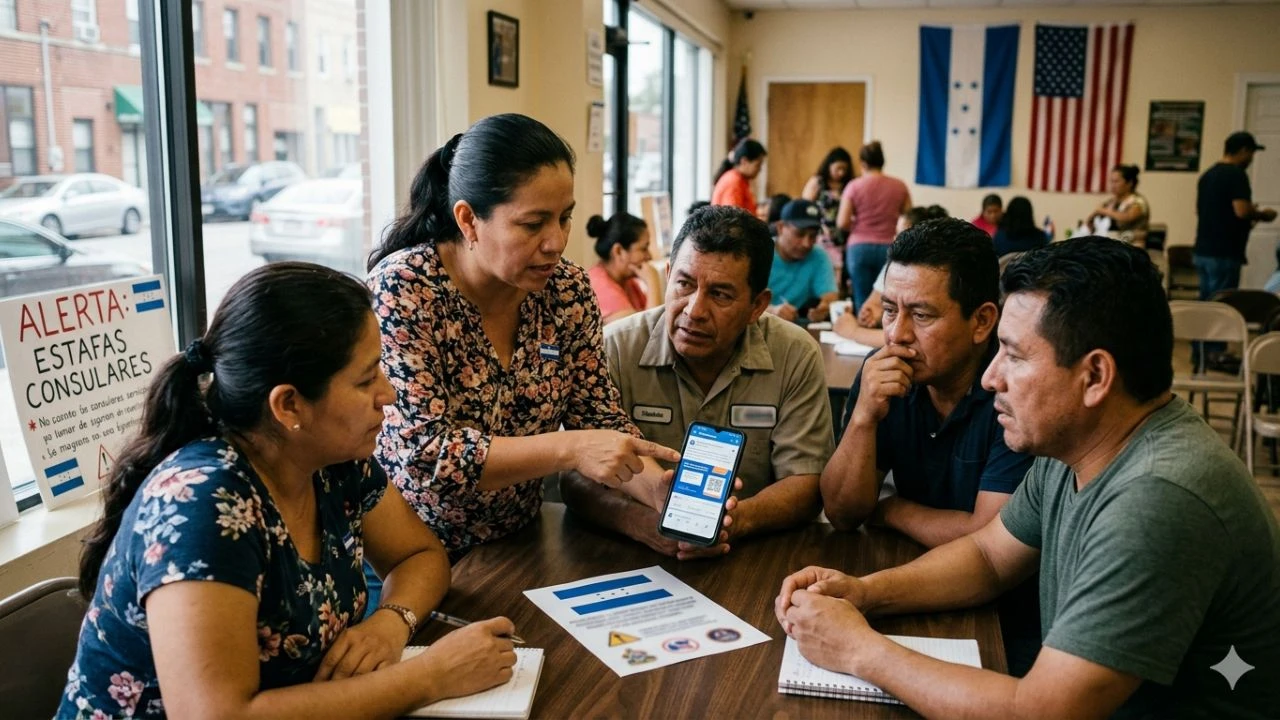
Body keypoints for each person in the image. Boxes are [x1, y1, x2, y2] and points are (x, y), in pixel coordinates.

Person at [778, 237, 1280, 718]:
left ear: (1095, 377)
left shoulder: (1158, 499)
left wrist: (860, 650)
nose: (991, 377)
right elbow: (988, 557)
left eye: (1014, 356)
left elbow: (1041, 712)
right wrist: (864, 592)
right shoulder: (1076, 445)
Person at [60, 263, 518, 720]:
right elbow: (217, 716)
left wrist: (391, 621)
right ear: (289, 405)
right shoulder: (202, 505)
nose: (388, 394)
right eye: (365, 380)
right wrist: (429, 677)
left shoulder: (334, 462)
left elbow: (419, 555)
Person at [365, 114, 680, 561]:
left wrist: (657, 491)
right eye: (533, 224)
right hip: (408, 554)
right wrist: (569, 448)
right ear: (468, 220)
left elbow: (597, 417)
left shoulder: (565, 289)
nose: (556, 242)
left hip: (518, 544)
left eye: (565, 218)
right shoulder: (405, 290)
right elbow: (428, 456)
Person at [562, 206, 832, 559]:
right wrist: (639, 523)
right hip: (631, 554)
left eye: (720, 294)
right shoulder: (614, 348)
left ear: (757, 306)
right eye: (685, 284)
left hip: (755, 556)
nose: (694, 310)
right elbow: (576, 478)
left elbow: (807, 482)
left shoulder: (795, 354)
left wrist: (732, 522)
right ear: (668, 276)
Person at [832, 206, 937, 347]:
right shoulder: (895, 265)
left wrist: (853, 332)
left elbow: (911, 341)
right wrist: (870, 314)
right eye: (896, 234)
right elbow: (873, 305)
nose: (894, 240)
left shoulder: (935, 274)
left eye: (902, 236)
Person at [1195, 131, 1277, 302]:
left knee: (1206, 303)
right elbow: (1242, 210)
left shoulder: (1208, 175)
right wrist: (1263, 215)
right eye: (1251, 153)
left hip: (1203, 250)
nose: (1251, 159)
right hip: (1225, 252)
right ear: (1243, 150)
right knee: (1222, 304)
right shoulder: (1236, 174)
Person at [837, 141, 912, 312]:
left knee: (863, 303)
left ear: (863, 163)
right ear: (882, 161)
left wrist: (859, 223)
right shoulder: (899, 186)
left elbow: (842, 222)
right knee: (889, 300)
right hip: (890, 247)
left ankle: (861, 327)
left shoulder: (854, 186)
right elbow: (910, 217)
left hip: (859, 248)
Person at [767, 199, 839, 323]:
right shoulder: (758, 252)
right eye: (799, 234)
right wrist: (771, 311)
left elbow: (830, 297)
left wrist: (824, 307)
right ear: (780, 228)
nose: (807, 243)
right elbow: (740, 302)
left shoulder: (818, 255)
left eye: (813, 236)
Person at [586, 212, 655, 324]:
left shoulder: (628, 282)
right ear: (619, 251)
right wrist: (652, 281)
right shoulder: (599, 286)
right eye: (643, 249)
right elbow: (650, 330)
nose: (649, 256)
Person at [802, 146, 855, 271]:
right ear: (829, 165)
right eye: (838, 168)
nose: (841, 173)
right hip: (820, 233)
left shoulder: (849, 185)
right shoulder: (817, 182)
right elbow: (805, 205)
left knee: (838, 270)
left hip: (841, 235)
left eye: (844, 169)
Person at [1089, 164, 1150, 247]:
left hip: (1133, 245)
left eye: (1116, 181)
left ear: (1129, 183)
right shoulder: (1111, 201)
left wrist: (1104, 211)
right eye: (1111, 181)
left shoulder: (1138, 202)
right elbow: (1095, 214)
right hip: (1114, 244)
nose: (1113, 185)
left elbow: (1127, 217)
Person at [712, 138, 767, 214]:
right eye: (757, 165)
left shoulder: (739, 180)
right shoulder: (734, 182)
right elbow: (733, 217)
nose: (760, 170)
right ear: (744, 161)